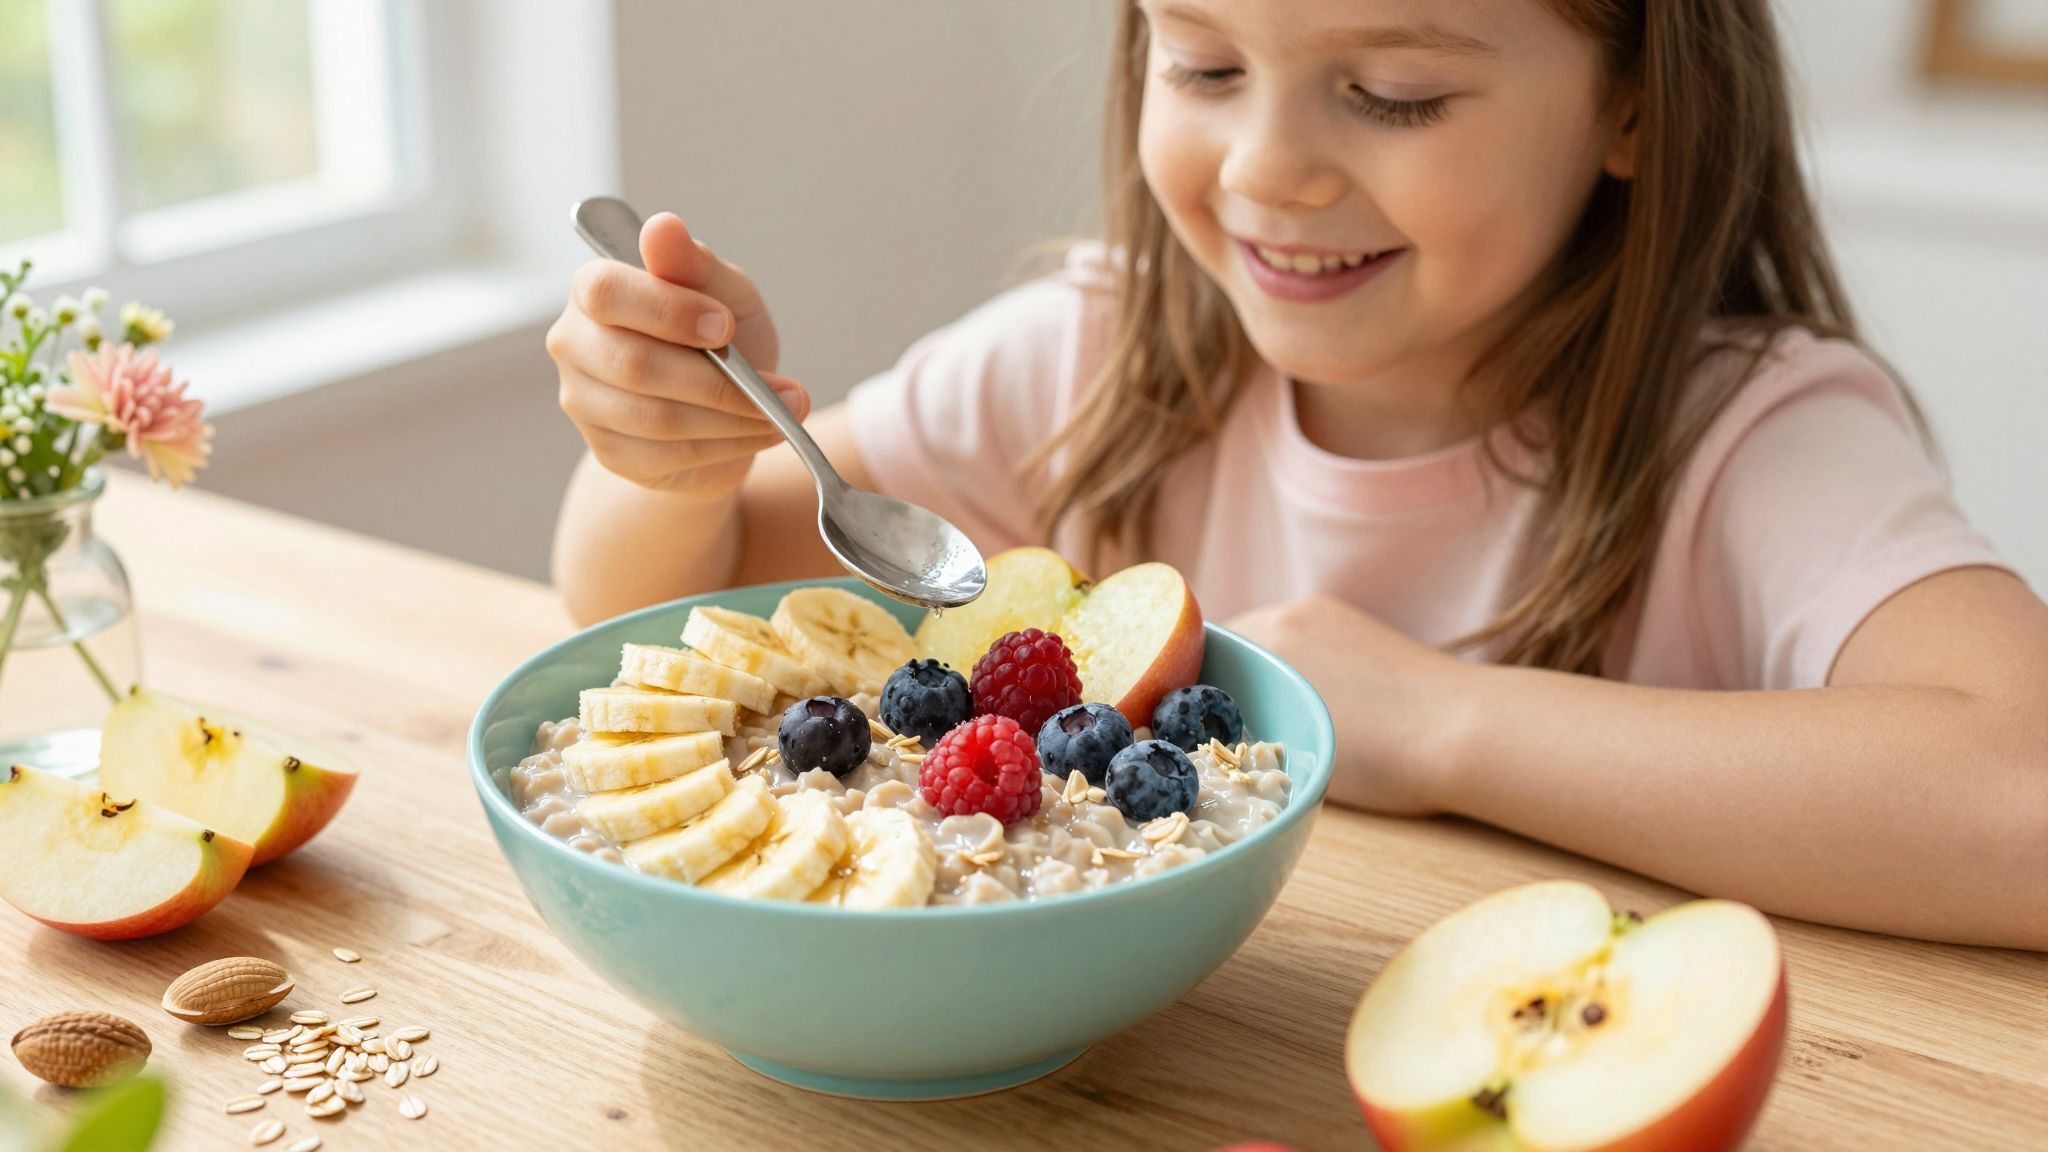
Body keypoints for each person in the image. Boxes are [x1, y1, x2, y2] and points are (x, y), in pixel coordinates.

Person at [544, 0, 2047, 949]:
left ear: (1637, 99)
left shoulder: (1749, 437)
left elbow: (2022, 801)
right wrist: (665, 460)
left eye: (1393, 91)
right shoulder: (1087, 354)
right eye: (1204, 62)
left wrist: (1438, 722)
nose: (1269, 168)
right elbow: (657, 608)